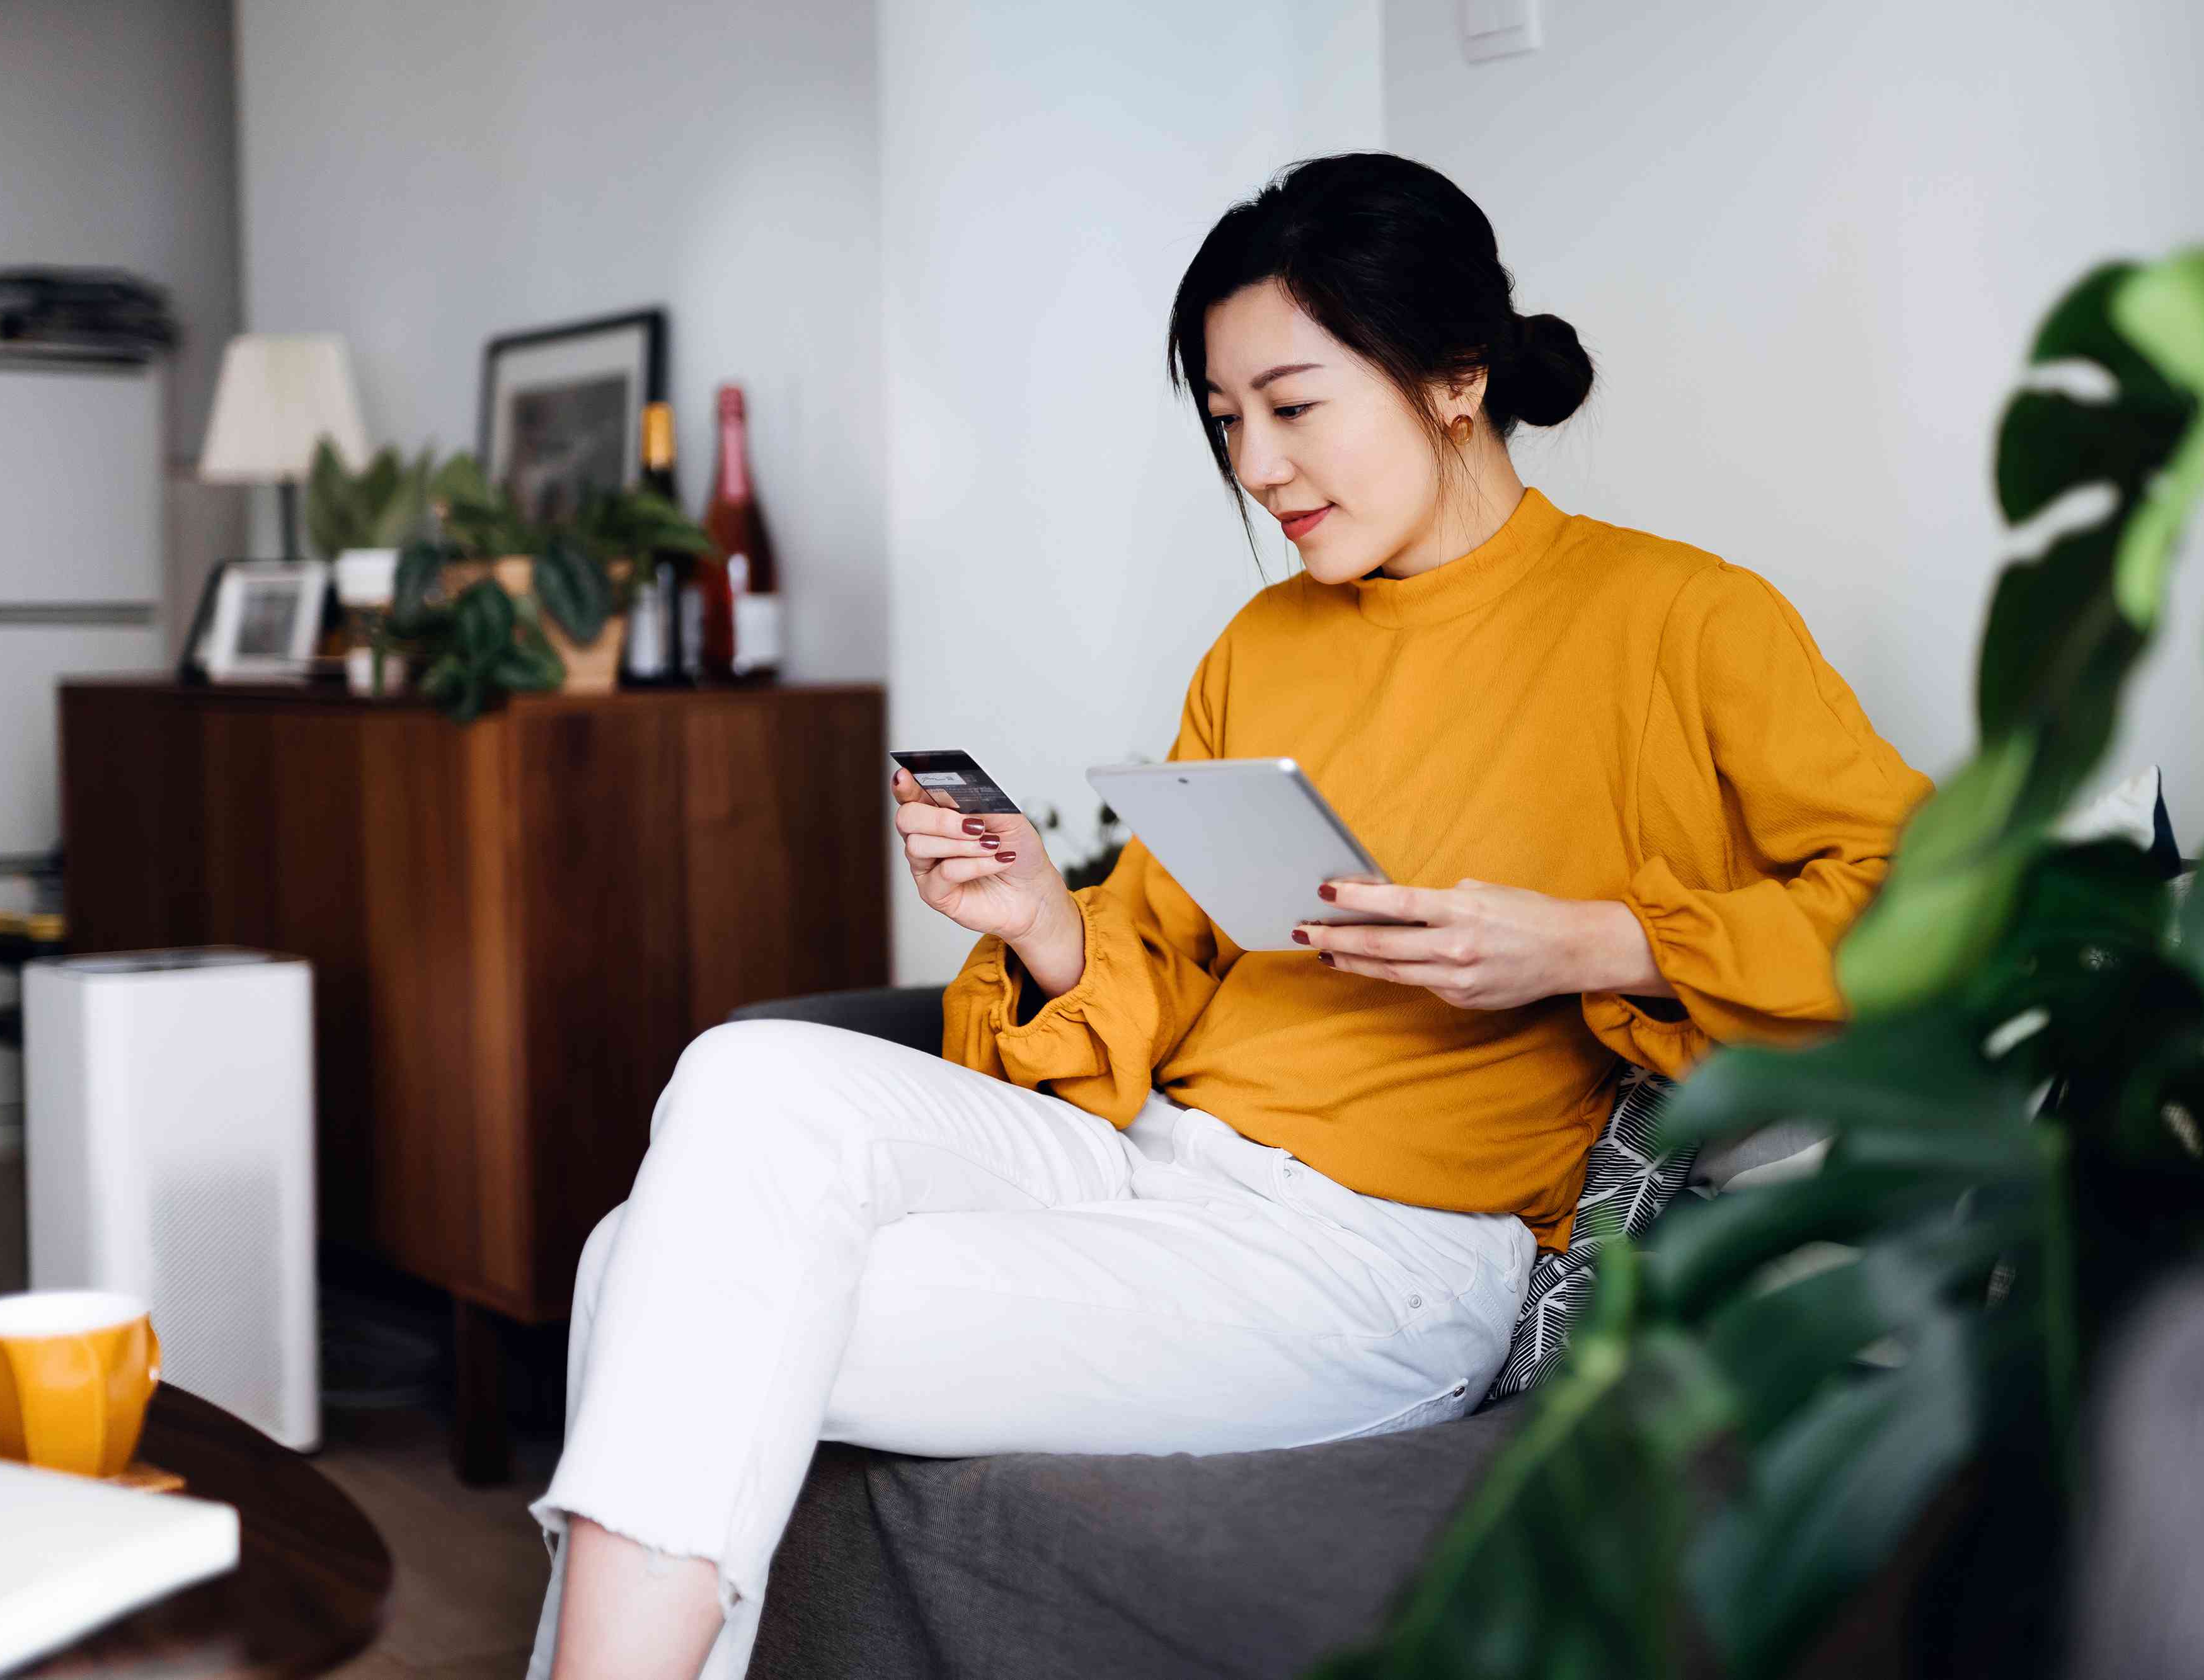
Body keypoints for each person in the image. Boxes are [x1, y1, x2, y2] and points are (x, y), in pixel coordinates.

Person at [525, 150, 1934, 1680]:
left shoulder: (1683, 618)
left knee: (640, 1269)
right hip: (1146, 1168)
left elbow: (1920, 903)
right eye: (1223, 419)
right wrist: (1044, 922)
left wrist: (1589, 942)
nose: (1256, 463)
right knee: (742, 1073)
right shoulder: (1262, 639)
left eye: (1291, 402)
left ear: (1454, 377)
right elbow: (1170, 948)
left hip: (1373, 1260)